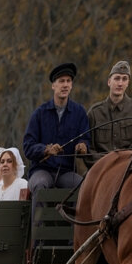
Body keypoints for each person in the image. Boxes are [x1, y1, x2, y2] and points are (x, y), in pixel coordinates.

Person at [23, 62, 90, 196]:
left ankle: (74, 218)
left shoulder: (79, 112)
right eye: (61, 81)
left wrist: (83, 146)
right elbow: (27, 147)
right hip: (41, 170)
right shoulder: (39, 113)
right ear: (53, 85)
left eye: (68, 81)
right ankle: (38, 218)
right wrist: (45, 149)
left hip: (66, 171)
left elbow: (86, 138)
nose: (65, 85)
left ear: (71, 85)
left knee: (85, 187)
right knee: (40, 184)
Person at [86, 60, 132, 156]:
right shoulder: (95, 112)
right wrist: (104, 165)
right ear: (109, 82)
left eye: (124, 79)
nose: (120, 83)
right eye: (117, 78)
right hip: (101, 168)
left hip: (129, 167)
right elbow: (89, 149)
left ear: (128, 83)